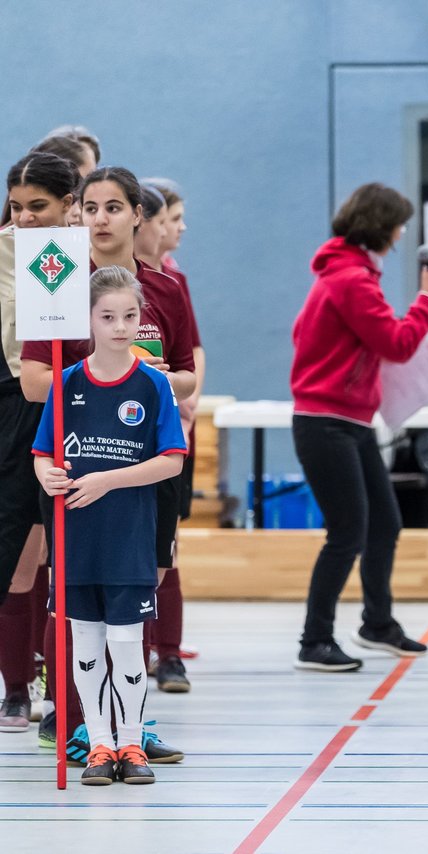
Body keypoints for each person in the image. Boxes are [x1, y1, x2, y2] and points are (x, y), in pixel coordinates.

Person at [21, 165, 193, 767]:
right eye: (90, 208)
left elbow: (189, 371)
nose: (100, 219)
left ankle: (134, 728)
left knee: (135, 592)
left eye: (113, 208)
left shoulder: (166, 288)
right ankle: (72, 721)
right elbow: (35, 380)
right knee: (69, 595)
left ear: (136, 214)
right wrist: (90, 379)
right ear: (78, 213)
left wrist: (151, 383)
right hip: (75, 461)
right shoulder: (59, 283)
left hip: (139, 460)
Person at [290, 183, 428, 671]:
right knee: (347, 532)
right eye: (399, 224)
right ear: (383, 227)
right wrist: (427, 299)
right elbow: (397, 344)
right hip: (326, 422)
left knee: (384, 522)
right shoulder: (351, 280)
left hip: (347, 420)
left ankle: (377, 623)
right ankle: (313, 640)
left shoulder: (350, 273)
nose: (402, 234)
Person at [0, 152, 80, 734]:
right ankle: (16, 688)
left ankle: (70, 697)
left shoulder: (84, 256)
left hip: (79, 408)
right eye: (16, 206)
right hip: (14, 404)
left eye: (38, 207)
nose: (24, 219)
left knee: (71, 562)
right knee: (18, 558)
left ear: (68, 206)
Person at [140, 178, 201, 693]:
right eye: (169, 218)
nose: (175, 229)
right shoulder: (85, 283)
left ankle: (168, 653)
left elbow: (188, 360)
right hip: (102, 442)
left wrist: (185, 394)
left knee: (164, 549)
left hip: (166, 434)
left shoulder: (169, 283)